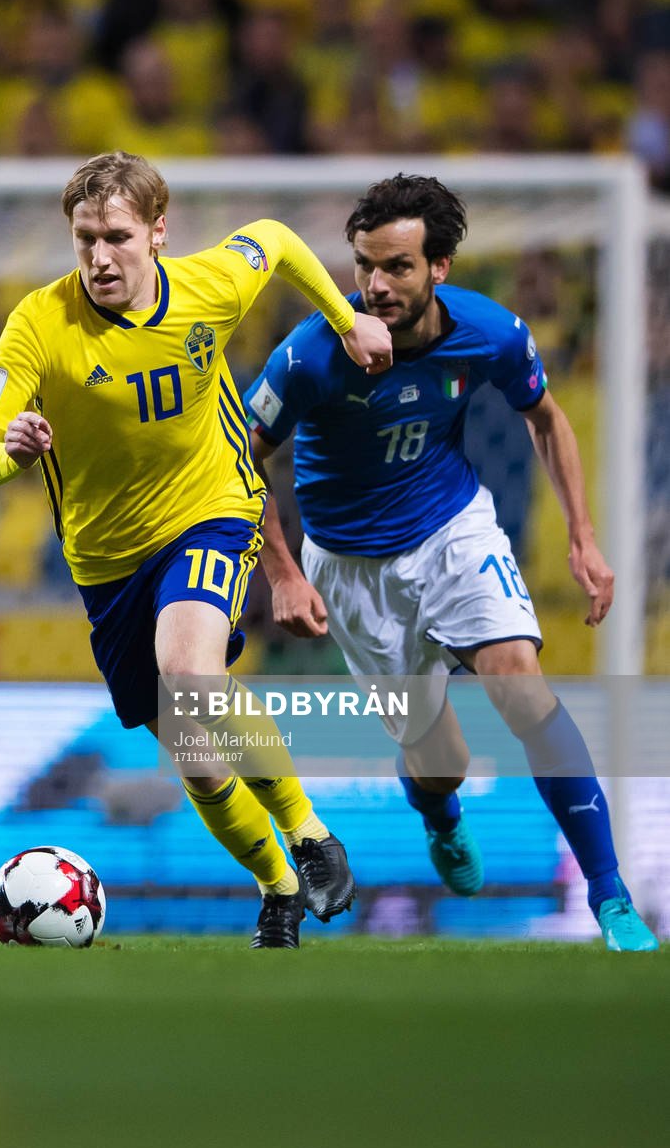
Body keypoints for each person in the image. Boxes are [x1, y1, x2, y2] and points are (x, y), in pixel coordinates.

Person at [0, 150, 392, 948]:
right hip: (107, 562)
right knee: (193, 754)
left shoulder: (209, 285)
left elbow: (277, 238)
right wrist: (8, 452)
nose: (97, 257)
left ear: (158, 233)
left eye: (115, 236)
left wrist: (342, 314)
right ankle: (277, 887)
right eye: (83, 238)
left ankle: (309, 834)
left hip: (210, 511)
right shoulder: (39, 324)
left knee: (191, 675)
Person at [243, 172, 659, 952]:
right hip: (350, 567)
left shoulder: (490, 332)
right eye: (365, 265)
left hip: (451, 532)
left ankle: (610, 900)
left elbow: (546, 418)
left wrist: (582, 536)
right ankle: (439, 814)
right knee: (438, 761)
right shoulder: (311, 355)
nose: (374, 285)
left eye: (396, 266)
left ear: (439, 268)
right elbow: (238, 454)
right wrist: (283, 572)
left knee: (521, 687)